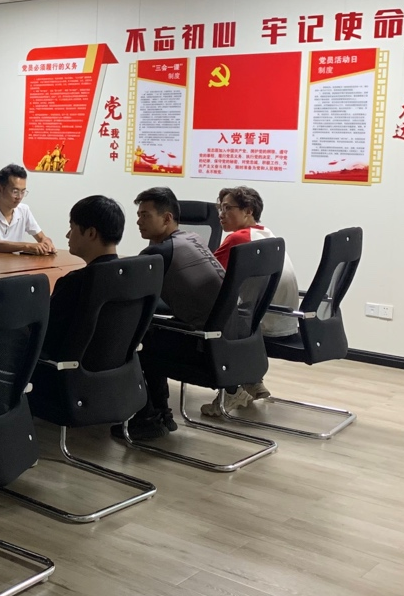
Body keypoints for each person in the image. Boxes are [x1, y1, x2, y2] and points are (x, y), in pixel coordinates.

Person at [113, 187, 225, 441]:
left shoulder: (157, 253)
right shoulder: (193, 239)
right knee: (151, 333)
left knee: (134, 342)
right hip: (226, 341)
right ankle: (161, 413)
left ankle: (149, 417)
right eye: (138, 215)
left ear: (166, 218)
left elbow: (125, 295)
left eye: (145, 215)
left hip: (203, 346)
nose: (138, 221)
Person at [205, 186, 299, 416]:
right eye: (220, 208)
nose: (221, 214)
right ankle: (253, 381)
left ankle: (231, 390)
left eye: (228, 208)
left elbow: (205, 272)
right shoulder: (267, 235)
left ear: (248, 211)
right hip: (282, 318)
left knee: (208, 322)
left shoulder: (239, 238)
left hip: (261, 324)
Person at [38, 196, 125, 364]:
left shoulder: (76, 282)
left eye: (72, 228)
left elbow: (45, 337)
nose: (67, 235)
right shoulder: (130, 277)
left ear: (91, 233)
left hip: (56, 370)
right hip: (108, 370)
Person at [0, 164, 55, 254]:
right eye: (15, 191)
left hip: (15, 262)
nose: (19, 197)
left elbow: (42, 237)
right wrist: (27, 246)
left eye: (23, 191)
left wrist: (46, 242)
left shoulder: (24, 210)